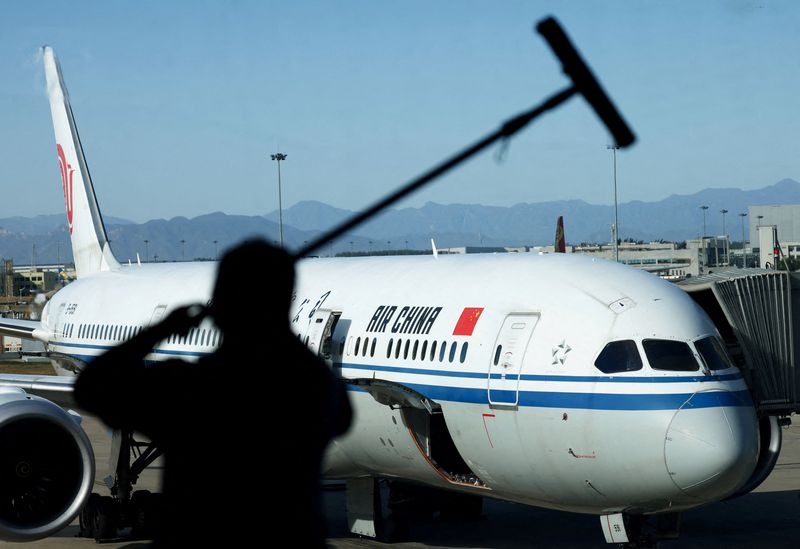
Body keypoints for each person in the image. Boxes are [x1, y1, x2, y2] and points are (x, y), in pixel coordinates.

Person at [74, 240, 352, 547]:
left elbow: (91, 387)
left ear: (220, 310)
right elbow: (342, 416)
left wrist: (161, 330)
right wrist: (280, 331)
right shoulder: (313, 388)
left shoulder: (190, 389)